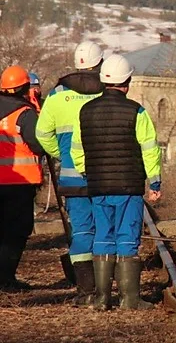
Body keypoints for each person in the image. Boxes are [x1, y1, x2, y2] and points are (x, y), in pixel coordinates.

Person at [70, 54, 162, 311]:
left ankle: (101, 298)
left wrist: (88, 173)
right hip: (128, 186)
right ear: (127, 81)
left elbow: (77, 150)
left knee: (102, 236)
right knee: (127, 237)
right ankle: (129, 299)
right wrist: (155, 183)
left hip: (98, 186)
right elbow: (150, 150)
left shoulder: (86, 111)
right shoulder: (137, 112)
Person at [36, 41, 104, 305]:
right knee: (105, 229)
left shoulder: (57, 96)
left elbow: (42, 134)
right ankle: (107, 287)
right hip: (105, 176)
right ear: (99, 63)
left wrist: (61, 155)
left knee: (82, 232)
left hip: (72, 176)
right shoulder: (108, 93)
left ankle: (86, 292)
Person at [0, 65, 44, 290]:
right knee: (16, 231)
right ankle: (6, 278)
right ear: (25, 87)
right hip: (19, 183)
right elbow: (39, 144)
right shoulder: (25, 114)